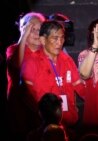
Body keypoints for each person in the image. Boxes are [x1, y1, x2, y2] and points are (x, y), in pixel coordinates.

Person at [20, 20, 86, 140]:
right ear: (43, 40)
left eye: (62, 38)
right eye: (55, 38)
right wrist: (45, 116)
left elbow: (80, 88)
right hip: (43, 129)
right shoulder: (31, 62)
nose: (60, 42)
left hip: (68, 126)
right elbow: (26, 95)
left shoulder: (67, 60)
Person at [6, 12, 46, 141]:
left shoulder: (47, 52)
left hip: (42, 112)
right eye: (30, 28)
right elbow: (16, 64)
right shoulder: (13, 49)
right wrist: (23, 36)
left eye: (38, 29)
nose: (35, 33)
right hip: (21, 112)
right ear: (22, 29)